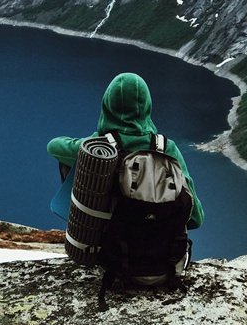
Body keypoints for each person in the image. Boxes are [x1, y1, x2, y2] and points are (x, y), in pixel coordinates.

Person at [47, 72, 203, 229]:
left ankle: (86, 226)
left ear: (107, 105)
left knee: (71, 161)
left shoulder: (98, 147)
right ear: (147, 105)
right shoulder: (167, 149)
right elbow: (195, 219)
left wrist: (97, 138)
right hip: (162, 249)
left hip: (106, 248)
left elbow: (53, 146)